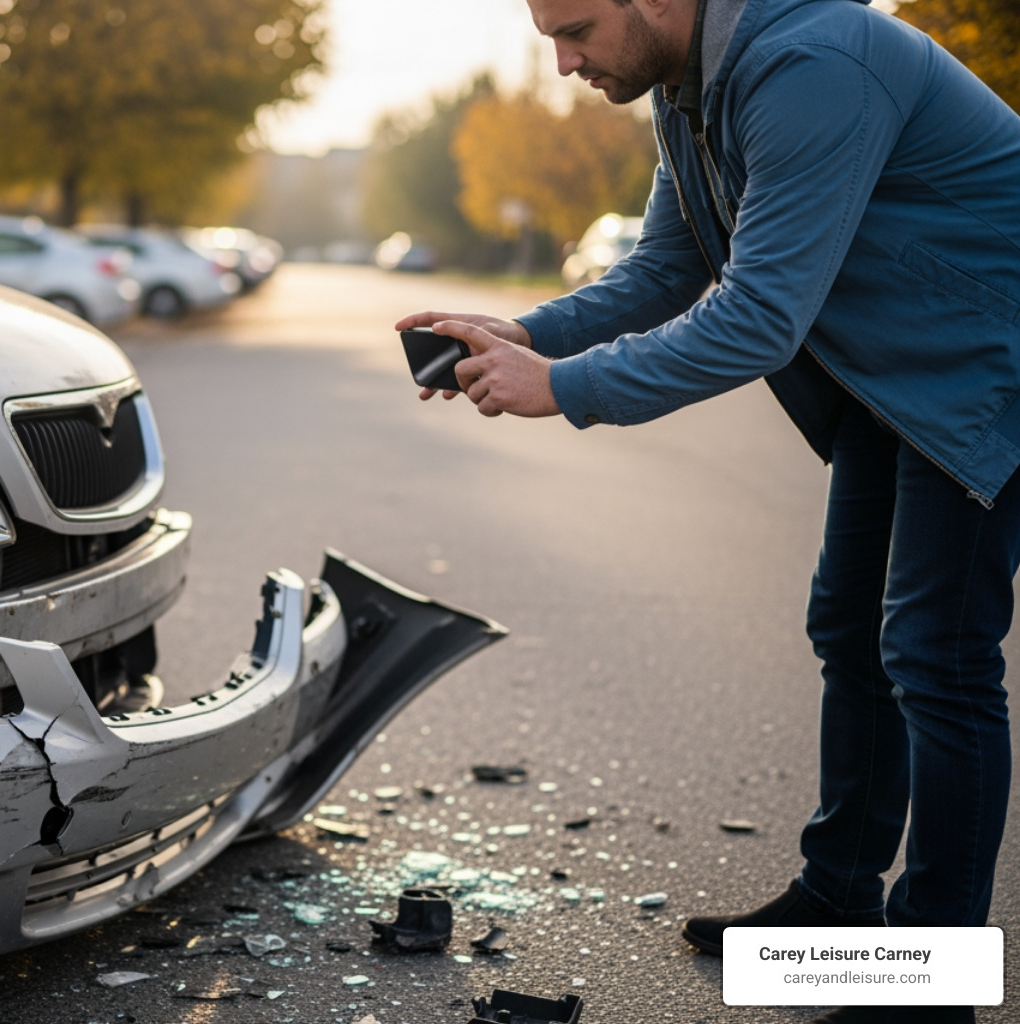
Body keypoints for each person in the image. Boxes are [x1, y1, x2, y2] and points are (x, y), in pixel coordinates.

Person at [398, 1, 1020, 1022]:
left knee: (937, 656)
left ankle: (926, 986)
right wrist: (519, 330)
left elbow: (758, 316)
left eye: (578, 29)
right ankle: (833, 906)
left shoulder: (814, 63)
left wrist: (561, 387)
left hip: (991, 367)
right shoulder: (693, 88)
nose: (562, 63)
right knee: (850, 630)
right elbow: (669, 268)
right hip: (899, 378)